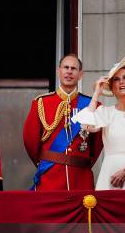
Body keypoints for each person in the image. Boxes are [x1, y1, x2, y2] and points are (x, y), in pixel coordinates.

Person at [73, 48, 125, 190]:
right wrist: (96, 94)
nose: (121, 82)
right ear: (112, 89)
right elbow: (85, 126)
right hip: (110, 176)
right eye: (116, 80)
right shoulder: (105, 112)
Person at [23, 54, 102, 190]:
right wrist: (47, 162)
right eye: (66, 67)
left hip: (80, 178)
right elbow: (30, 140)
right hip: (50, 177)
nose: (69, 71)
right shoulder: (41, 102)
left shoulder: (92, 105)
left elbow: (97, 145)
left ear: (80, 74)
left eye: (74, 68)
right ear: (58, 71)